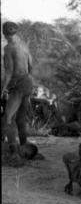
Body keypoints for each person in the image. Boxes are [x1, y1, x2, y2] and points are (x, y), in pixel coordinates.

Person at [1, 21, 38, 159]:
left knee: (8, 118)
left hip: (18, 85)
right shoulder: (24, 46)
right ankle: (25, 146)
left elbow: (9, 71)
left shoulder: (8, 48)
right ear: (15, 32)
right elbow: (30, 66)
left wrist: (3, 89)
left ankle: (14, 151)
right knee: (21, 119)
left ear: (4, 33)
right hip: (28, 82)